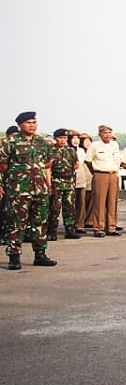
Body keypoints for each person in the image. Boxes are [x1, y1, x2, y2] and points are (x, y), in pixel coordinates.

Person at [0, 111, 56, 269]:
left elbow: (47, 163)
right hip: (19, 190)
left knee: (40, 222)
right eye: (28, 122)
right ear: (20, 125)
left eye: (34, 122)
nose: (32, 125)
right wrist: (18, 176)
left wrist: (46, 183)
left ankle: (40, 254)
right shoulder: (10, 141)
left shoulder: (42, 141)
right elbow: (2, 165)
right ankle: (14, 256)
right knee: (16, 223)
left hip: (40, 189)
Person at [85, 124, 122, 237]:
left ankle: (111, 227)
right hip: (100, 174)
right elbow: (88, 161)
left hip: (113, 174)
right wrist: (95, 173)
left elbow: (117, 160)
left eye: (109, 133)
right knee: (99, 203)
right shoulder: (95, 145)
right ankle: (98, 228)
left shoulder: (115, 145)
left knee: (112, 202)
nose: (107, 135)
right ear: (100, 134)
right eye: (105, 133)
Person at [47, 129, 81, 240]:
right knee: (54, 208)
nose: (63, 140)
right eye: (60, 138)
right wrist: (49, 184)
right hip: (56, 182)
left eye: (65, 138)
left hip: (69, 182)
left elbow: (76, 164)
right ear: (55, 138)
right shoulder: (51, 151)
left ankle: (70, 230)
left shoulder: (71, 150)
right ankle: (52, 231)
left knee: (70, 207)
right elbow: (48, 168)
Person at [74, 133, 93, 229]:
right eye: (85, 141)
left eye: (89, 141)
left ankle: (88, 220)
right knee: (81, 202)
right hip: (79, 179)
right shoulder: (79, 151)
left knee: (90, 200)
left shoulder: (89, 151)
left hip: (89, 179)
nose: (87, 143)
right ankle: (78, 223)